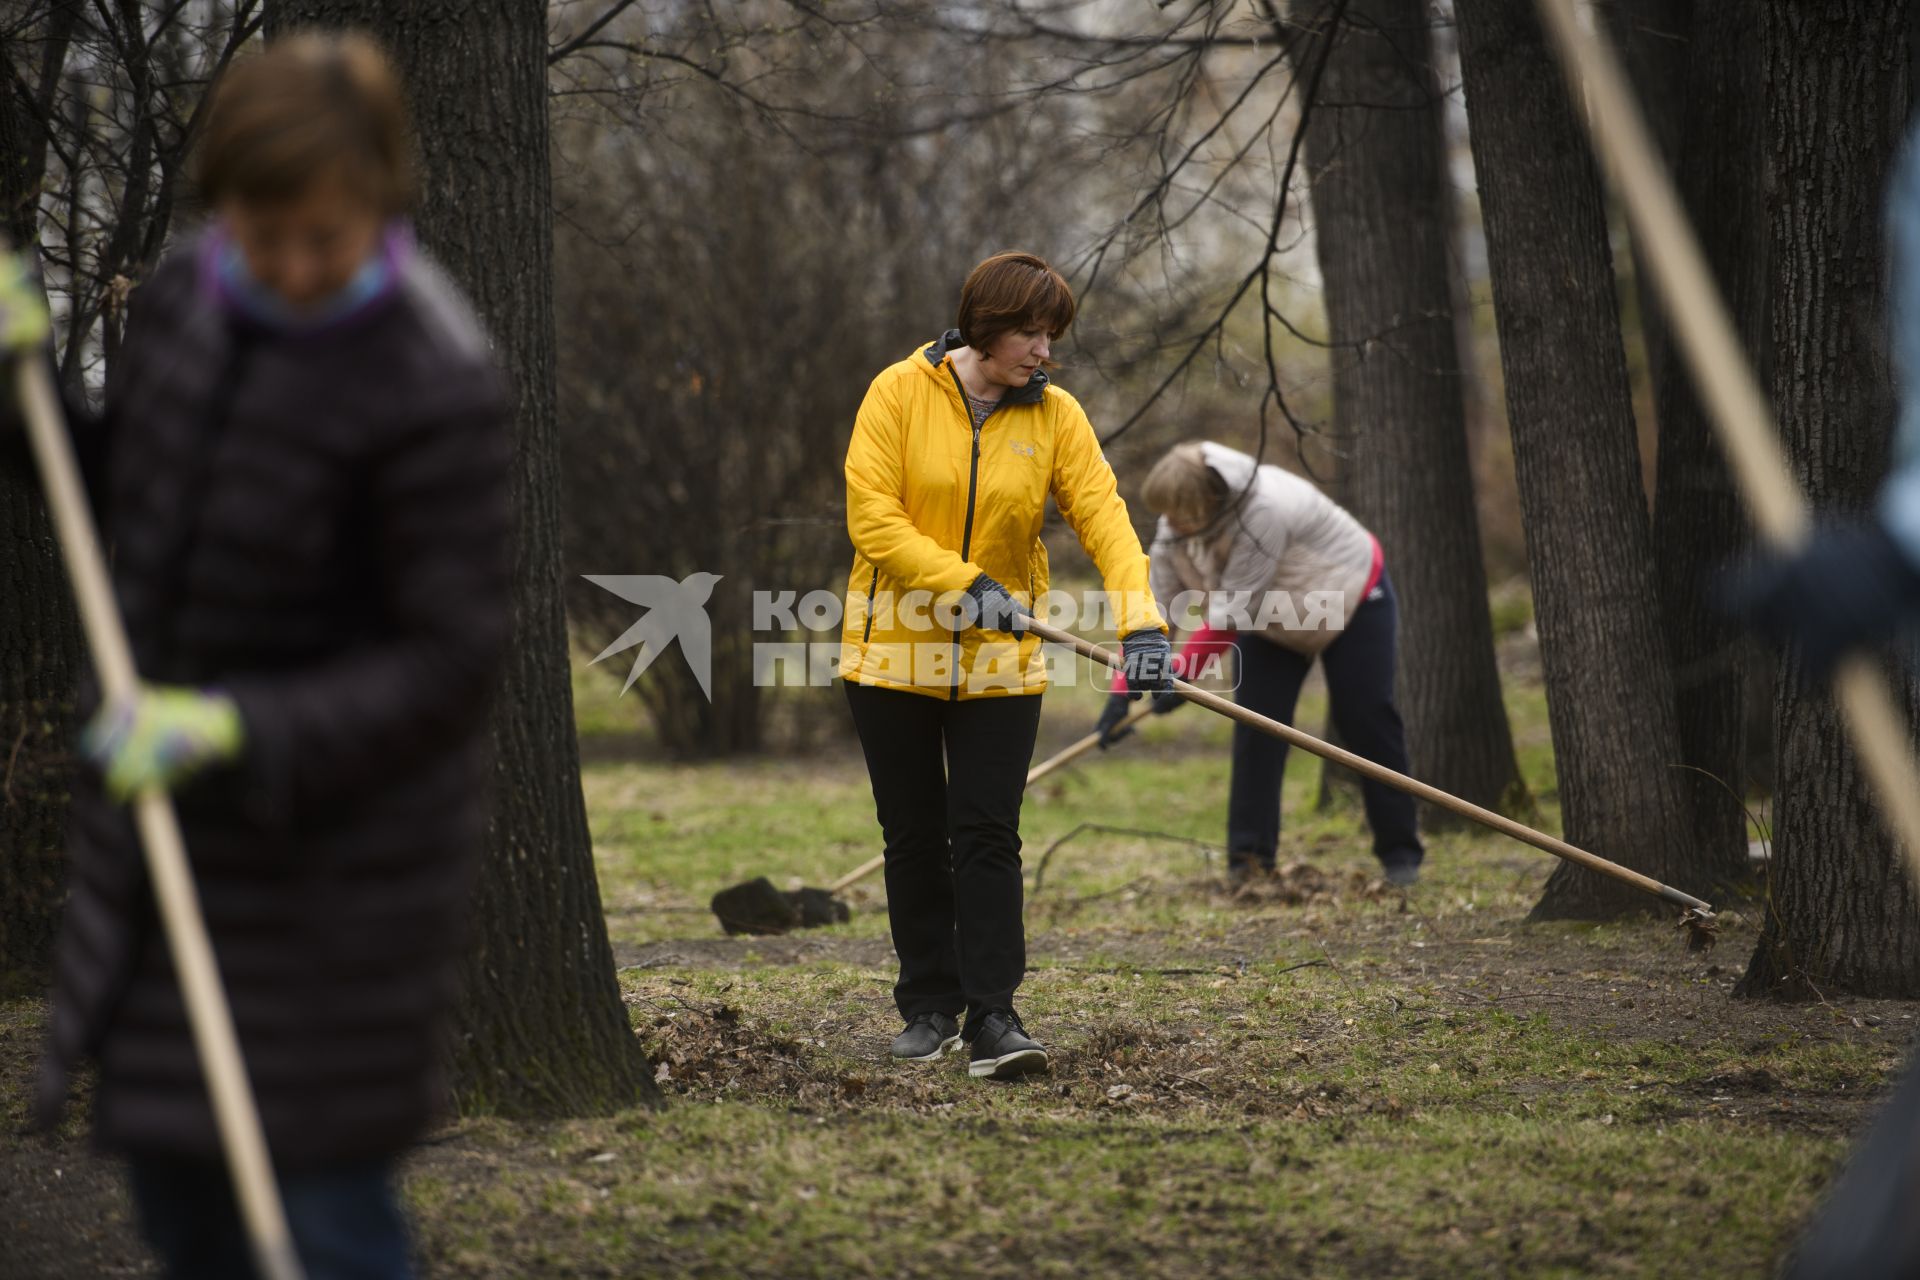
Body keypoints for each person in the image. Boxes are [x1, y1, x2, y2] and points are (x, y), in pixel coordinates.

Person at [5, 34, 512, 1279]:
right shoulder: (188, 298)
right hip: (171, 855)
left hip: (339, 880)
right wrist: (20, 385)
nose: (287, 266)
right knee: (186, 1211)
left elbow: (450, 662)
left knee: (318, 1219)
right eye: (260, 230)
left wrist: (236, 725)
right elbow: (129, 487)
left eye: (322, 239)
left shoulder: (431, 379)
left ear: (380, 205)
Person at [838, 251, 1172, 1080]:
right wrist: (962, 584)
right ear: (986, 326)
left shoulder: (1055, 415)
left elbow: (1106, 517)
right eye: (1031, 331)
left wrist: (1143, 624)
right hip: (891, 654)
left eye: (1051, 334)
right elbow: (872, 518)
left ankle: (993, 1015)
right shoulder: (897, 392)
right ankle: (927, 1006)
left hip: (1001, 663)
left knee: (988, 833)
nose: (1044, 351)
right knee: (913, 838)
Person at [1099, 440, 1424, 887]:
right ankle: (1249, 866)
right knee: (1257, 728)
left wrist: (1182, 677)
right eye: (1165, 516)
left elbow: (1230, 613)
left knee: (1366, 719)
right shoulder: (1176, 521)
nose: (1169, 524)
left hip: (1351, 598)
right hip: (1272, 617)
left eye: (1178, 515)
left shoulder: (1263, 511)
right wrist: (1122, 691)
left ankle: (1400, 855)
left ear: (1207, 504)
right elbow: (1157, 607)